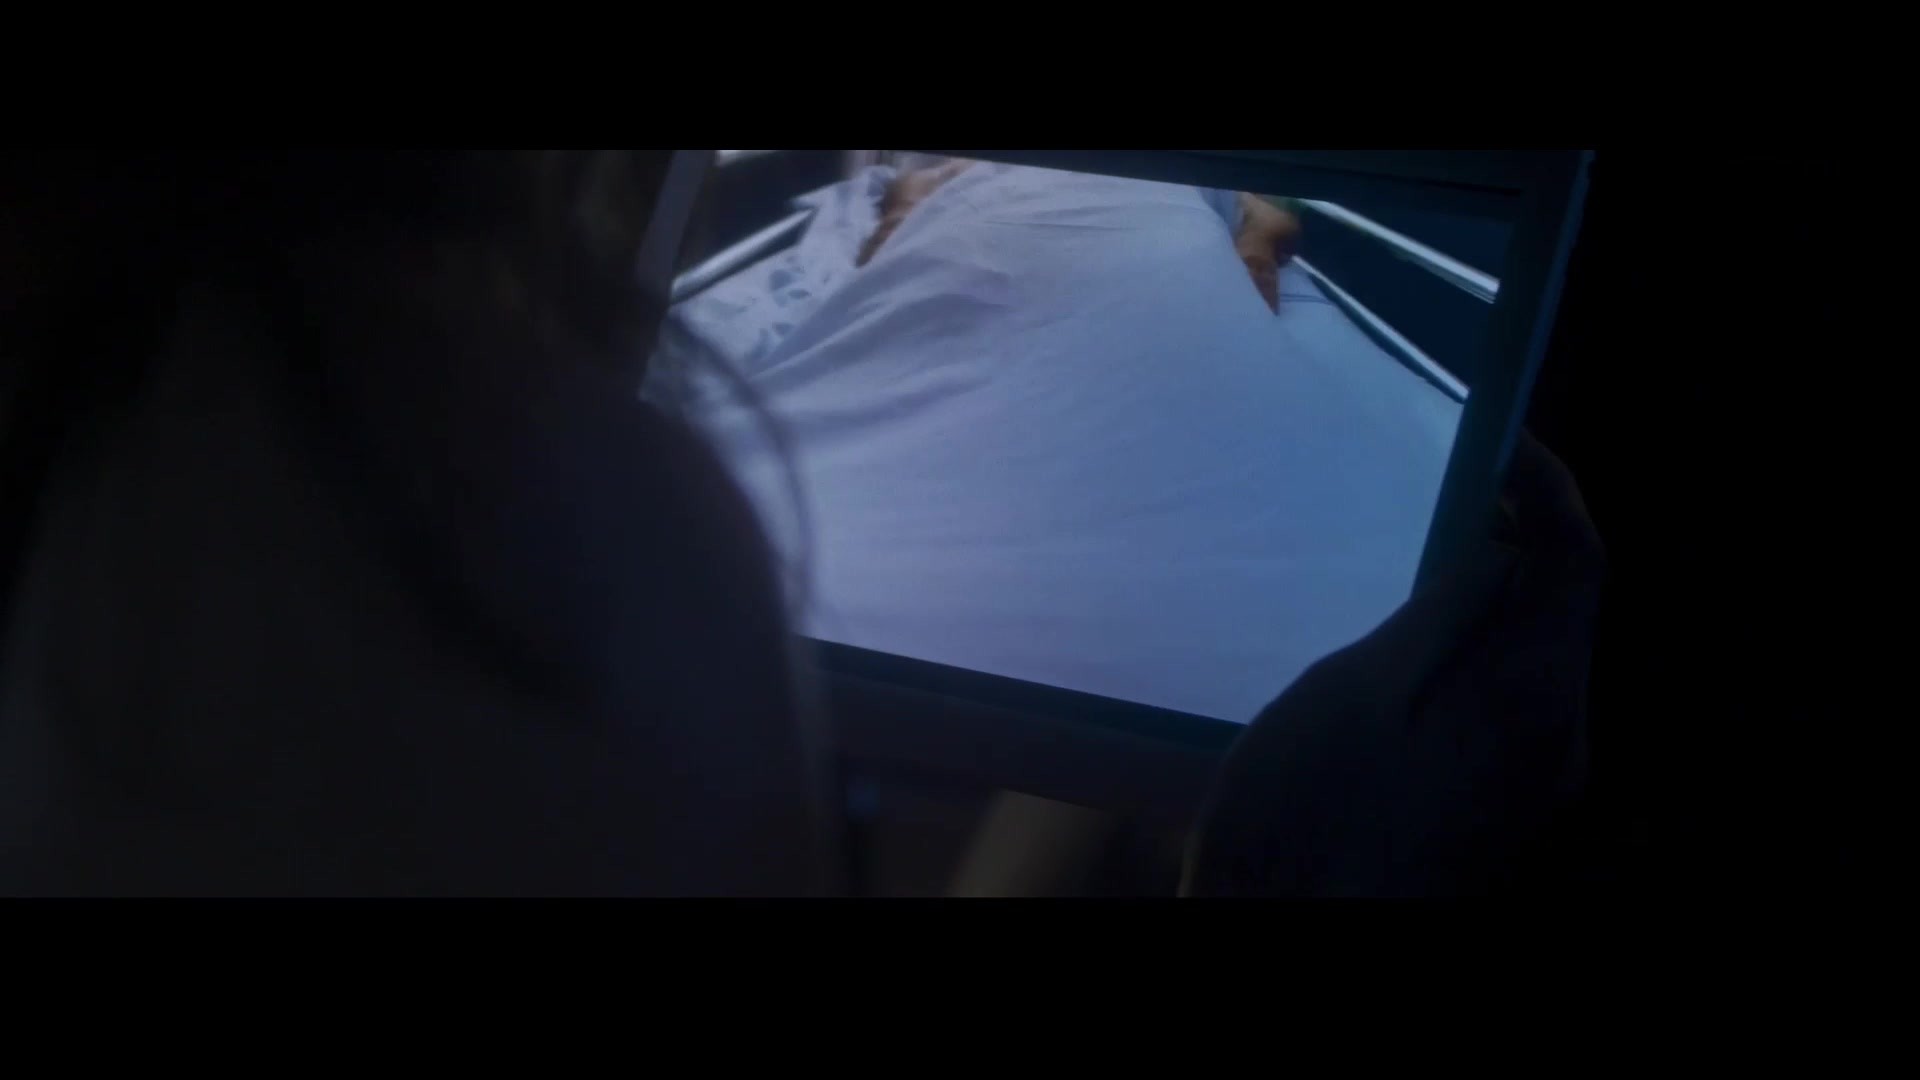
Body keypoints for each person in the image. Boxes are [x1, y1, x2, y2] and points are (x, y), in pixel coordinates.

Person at [0, 149, 1600, 896]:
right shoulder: (582, 541)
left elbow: (1262, 220)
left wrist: (1234, 232)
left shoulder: (122, 487)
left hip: (1105, 239)